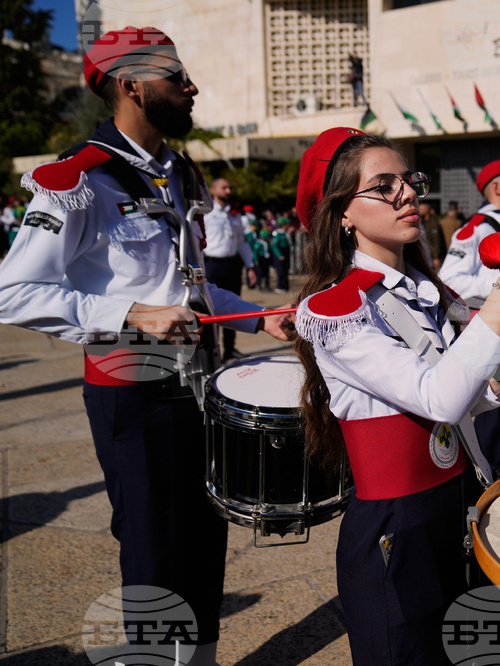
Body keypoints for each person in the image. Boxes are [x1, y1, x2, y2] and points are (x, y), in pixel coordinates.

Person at [0, 27, 293, 666]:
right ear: (132, 85)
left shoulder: (174, 170)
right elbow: (12, 290)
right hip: (132, 388)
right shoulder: (77, 178)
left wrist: (255, 319)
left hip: (199, 383)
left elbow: (184, 289)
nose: (191, 87)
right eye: (175, 77)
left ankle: (203, 658)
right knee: (154, 543)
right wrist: (128, 312)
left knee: (204, 530)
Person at [292, 127, 500, 665]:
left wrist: (497, 377)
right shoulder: (335, 308)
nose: (407, 193)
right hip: (397, 528)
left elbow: (455, 401)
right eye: (383, 186)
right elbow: (437, 399)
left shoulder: (427, 292)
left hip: (454, 505)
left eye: (408, 180)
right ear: (342, 212)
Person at [438, 159, 500, 475]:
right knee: (492, 433)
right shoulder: (477, 228)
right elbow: (449, 280)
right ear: (496, 188)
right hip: (490, 345)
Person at [203, 176, 258, 361]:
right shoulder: (205, 211)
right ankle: (214, 349)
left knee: (233, 304)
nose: (228, 191)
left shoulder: (234, 214)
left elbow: (242, 242)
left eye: (229, 187)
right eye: (224, 188)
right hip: (212, 264)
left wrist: (250, 266)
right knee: (212, 308)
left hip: (232, 264)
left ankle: (230, 348)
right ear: (214, 190)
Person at [270, 218, 291, 292]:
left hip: (285, 252)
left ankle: (285, 286)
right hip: (281, 253)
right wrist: (279, 255)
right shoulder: (278, 234)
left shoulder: (285, 233)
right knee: (281, 271)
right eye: (286, 224)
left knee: (285, 270)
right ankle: (280, 286)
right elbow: (274, 245)